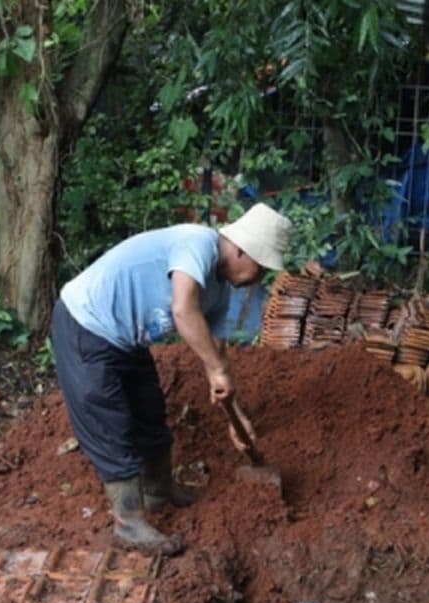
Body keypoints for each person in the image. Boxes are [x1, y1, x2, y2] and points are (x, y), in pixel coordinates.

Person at [50, 202, 293, 555]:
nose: (261, 278)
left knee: (148, 406)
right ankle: (128, 522)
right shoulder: (198, 243)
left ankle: (159, 490)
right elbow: (183, 308)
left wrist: (235, 416)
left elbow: (217, 352)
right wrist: (215, 369)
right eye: (261, 266)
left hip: (125, 338)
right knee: (109, 420)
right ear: (241, 249)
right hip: (86, 323)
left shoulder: (221, 292)